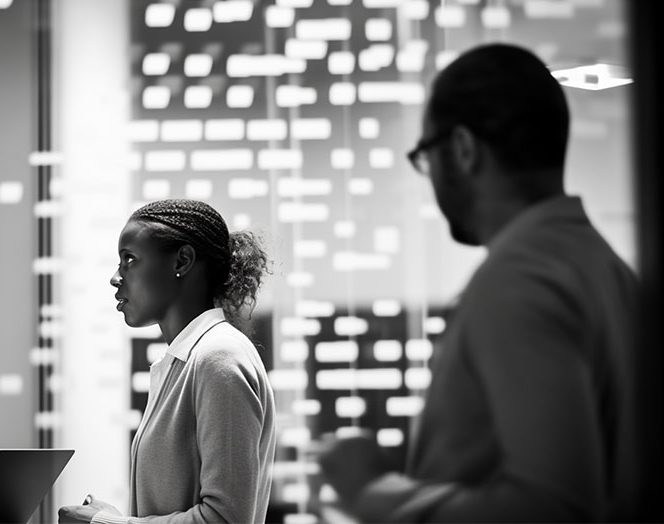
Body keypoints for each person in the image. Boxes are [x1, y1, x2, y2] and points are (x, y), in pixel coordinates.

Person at [319, 43, 639, 522]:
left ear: (464, 150)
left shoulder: (519, 281)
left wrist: (373, 493)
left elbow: (553, 508)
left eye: (426, 156)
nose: (428, 179)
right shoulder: (610, 272)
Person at [58, 199, 276, 524]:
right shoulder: (184, 363)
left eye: (129, 259)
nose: (115, 278)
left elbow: (225, 520)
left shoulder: (219, 358)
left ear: (183, 261)